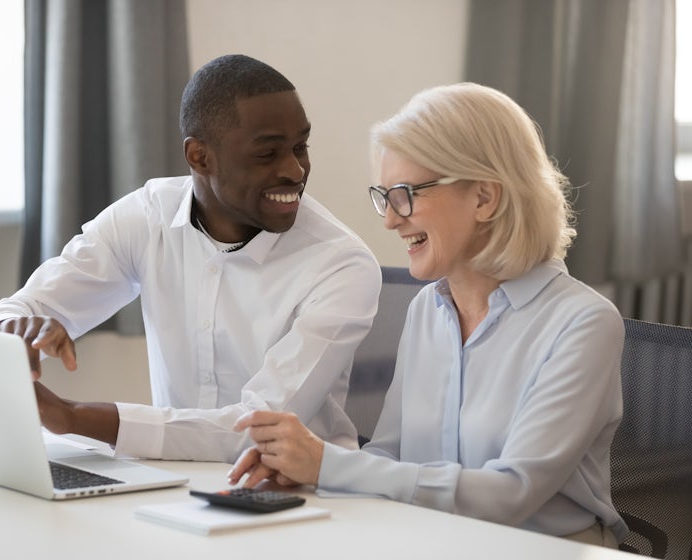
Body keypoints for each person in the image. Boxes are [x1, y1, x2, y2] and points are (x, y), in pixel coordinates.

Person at [230, 82, 628, 548]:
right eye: (385, 196)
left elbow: (512, 493)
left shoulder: (583, 324)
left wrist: (328, 464)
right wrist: (311, 480)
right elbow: (389, 454)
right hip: (433, 542)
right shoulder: (428, 310)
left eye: (405, 194)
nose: (390, 220)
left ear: (484, 198)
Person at [0, 54, 381, 463]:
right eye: (267, 154)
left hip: (301, 499)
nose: (295, 171)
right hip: (170, 485)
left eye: (300, 147)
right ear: (199, 157)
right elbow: (15, 311)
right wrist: (11, 329)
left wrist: (73, 417)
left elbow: (257, 430)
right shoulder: (146, 216)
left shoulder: (340, 264)